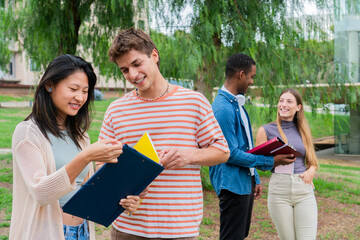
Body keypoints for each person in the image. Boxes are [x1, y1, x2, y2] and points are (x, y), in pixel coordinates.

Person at [98, 28, 230, 239]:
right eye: (124, 70)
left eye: (137, 64)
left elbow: (222, 152)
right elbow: (101, 165)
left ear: (154, 55)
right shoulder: (116, 110)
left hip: (179, 228)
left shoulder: (194, 102)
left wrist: (189, 155)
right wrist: (123, 188)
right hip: (127, 229)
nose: (132, 75)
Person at [10, 54, 141, 240]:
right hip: (47, 233)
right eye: (73, 89)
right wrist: (85, 157)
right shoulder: (28, 133)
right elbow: (41, 193)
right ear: (49, 85)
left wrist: (123, 200)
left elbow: (88, 193)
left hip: (83, 232)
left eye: (85, 91)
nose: (80, 97)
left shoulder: (80, 136)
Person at [209, 53, 296, 240]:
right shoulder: (223, 109)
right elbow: (229, 154)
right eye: (251, 77)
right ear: (241, 74)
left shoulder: (236, 104)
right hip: (231, 184)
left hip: (243, 180)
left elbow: (246, 145)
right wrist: (270, 161)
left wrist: (254, 176)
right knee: (232, 236)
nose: (251, 82)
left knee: (241, 234)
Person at [255, 88, 319, 240]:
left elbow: (312, 161)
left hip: (303, 188)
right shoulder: (266, 130)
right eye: (281, 101)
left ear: (298, 107)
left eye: (289, 101)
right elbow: (258, 163)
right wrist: (274, 161)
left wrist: (312, 170)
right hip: (279, 190)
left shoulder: (303, 129)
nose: (283, 104)